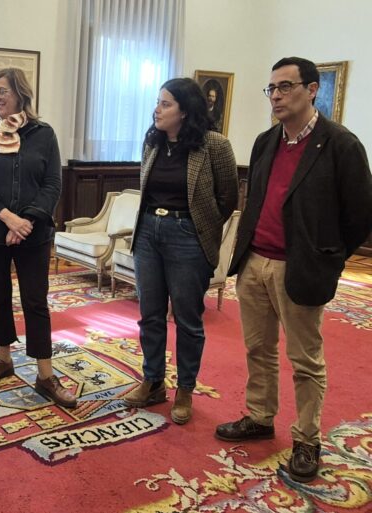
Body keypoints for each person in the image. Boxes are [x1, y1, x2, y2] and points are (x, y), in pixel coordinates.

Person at [215, 57, 372, 483]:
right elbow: (257, 199)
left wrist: (328, 257)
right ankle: (260, 417)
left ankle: (307, 439)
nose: (277, 96)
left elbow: (360, 215)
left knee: (305, 360)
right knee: (257, 349)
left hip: (299, 268)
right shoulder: (266, 141)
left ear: (312, 89)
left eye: (286, 86)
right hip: (255, 262)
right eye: (272, 88)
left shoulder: (340, 144)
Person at [120, 78, 239, 425]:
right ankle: (153, 381)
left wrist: (200, 228)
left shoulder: (214, 145)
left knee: (187, 319)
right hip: (148, 232)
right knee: (150, 314)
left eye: (166, 103)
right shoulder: (153, 141)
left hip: (187, 235)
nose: (157, 110)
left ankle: (185, 389)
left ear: (185, 110)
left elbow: (228, 198)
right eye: (157, 102)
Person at [0, 68, 76, 408]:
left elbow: (52, 184)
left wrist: (26, 221)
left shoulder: (45, 134)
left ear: (20, 92)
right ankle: (3, 360)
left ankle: (45, 375)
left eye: (2, 91)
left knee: (35, 300)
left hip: (34, 233)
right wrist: (8, 218)